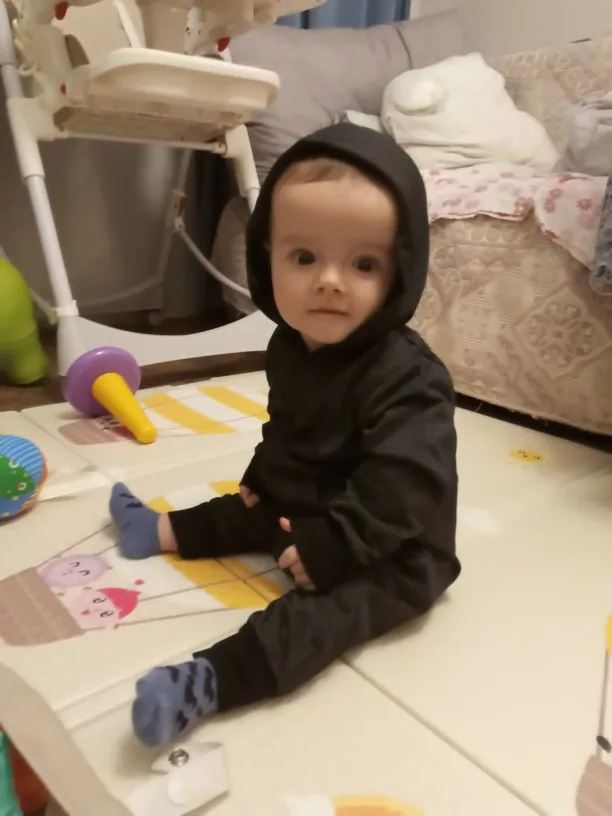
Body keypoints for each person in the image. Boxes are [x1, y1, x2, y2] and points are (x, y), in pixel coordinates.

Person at [110, 122, 461, 748]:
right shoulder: (288, 346)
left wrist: (338, 546)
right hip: (312, 500)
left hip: (392, 547)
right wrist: (265, 475)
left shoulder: (408, 376)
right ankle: (161, 531)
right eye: (304, 258)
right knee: (247, 505)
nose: (330, 281)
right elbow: (288, 428)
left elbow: (406, 483)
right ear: (265, 259)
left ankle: (213, 680)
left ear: (400, 271)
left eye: (363, 264)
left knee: (330, 610)